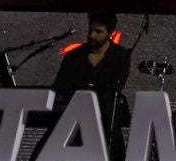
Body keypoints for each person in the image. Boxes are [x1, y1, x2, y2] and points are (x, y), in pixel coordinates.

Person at [52, 10, 133, 149]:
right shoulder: (74, 56)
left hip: (105, 118)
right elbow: (60, 87)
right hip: (73, 116)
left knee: (115, 153)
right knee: (46, 146)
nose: (91, 35)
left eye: (98, 31)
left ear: (110, 33)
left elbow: (114, 87)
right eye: (90, 30)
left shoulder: (121, 56)